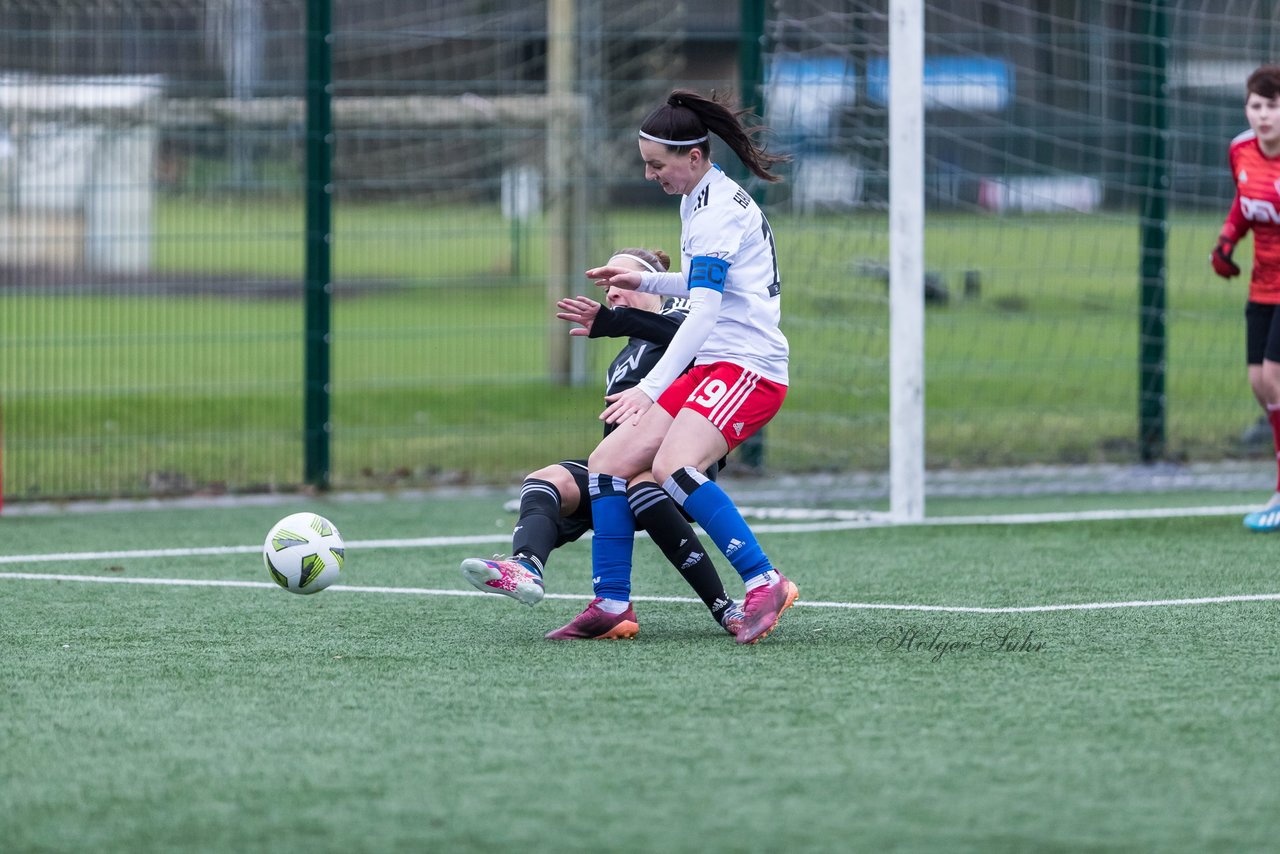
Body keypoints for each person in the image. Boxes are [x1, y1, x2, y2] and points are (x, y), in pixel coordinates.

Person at [550, 88, 798, 645]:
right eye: (645, 163)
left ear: (693, 157)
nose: (648, 175)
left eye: (655, 164)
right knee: (607, 462)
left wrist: (651, 388)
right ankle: (612, 602)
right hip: (716, 363)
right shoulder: (699, 200)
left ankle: (765, 579)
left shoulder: (715, 212)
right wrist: (647, 281)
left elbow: (707, 310)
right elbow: (708, 283)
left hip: (747, 366)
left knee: (673, 469)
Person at [459, 246, 746, 635]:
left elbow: (689, 335)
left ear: (653, 283)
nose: (610, 292)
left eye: (618, 281)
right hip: (618, 471)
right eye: (605, 287)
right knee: (546, 481)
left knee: (643, 488)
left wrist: (619, 320)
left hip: (676, 465)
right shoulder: (623, 359)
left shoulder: (684, 319)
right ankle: (525, 567)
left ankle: (724, 607)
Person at [1211, 65, 1280, 531]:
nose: (1263, 115)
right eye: (1256, 105)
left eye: (1272, 105)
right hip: (1262, 284)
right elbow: (1243, 202)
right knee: (1259, 383)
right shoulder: (1239, 150)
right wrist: (1226, 241)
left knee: (1275, 376)